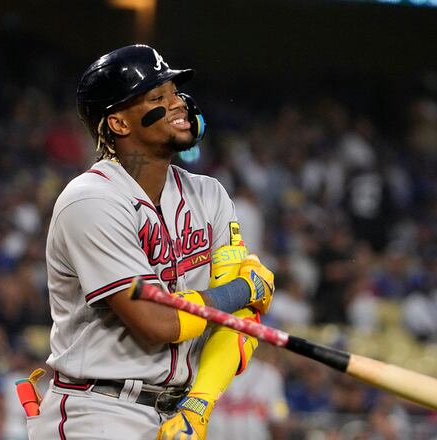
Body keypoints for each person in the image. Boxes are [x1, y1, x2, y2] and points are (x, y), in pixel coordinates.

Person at [24, 44, 275, 440]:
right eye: (159, 97)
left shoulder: (209, 195)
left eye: (176, 92)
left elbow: (239, 321)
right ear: (120, 124)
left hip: (179, 410)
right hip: (99, 412)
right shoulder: (91, 200)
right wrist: (242, 288)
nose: (179, 104)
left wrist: (200, 404)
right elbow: (159, 322)